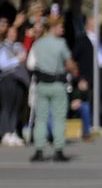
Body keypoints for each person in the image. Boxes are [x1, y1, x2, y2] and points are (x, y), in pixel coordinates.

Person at [27, 15, 76, 161]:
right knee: (59, 118)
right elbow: (69, 63)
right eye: (60, 27)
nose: (62, 29)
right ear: (53, 28)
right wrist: (73, 69)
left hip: (42, 84)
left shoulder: (38, 43)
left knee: (40, 118)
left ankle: (39, 150)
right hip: (57, 83)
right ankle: (58, 150)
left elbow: (31, 64)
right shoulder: (61, 43)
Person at [0, 24, 29, 146]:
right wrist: (17, 60)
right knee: (7, 107)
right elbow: (2, 64)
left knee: (16, 107)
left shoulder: (18, 46)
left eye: (15, 32)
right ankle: (4, 133)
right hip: (7, 79)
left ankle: (12, 131)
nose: (14, 34)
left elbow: (25, 58)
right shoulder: (1, 47)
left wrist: (20, 59)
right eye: (11, 32)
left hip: (19, 79)